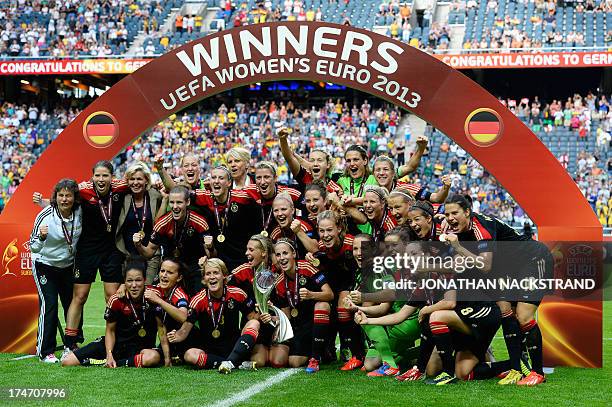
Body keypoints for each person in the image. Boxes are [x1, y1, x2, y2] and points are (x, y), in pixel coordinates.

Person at [443, 194, 551, 386]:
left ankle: (537, 372)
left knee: (524, 316)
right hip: (511, 268)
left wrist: (458, 247)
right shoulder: (459, 227)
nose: (450, 218)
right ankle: (517, 368)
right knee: (505, 309)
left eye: (454, 213)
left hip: (533, 260)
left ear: (467, 212)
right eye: (447, 214)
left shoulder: (481, 228)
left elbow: (485, 265)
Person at [33, 161, 130, 355]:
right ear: (92, 176)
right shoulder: (83, 190)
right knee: (79, 296)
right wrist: (44, 202)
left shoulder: (121, 186)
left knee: (112, 297)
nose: (101, 180)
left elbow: (139, 183)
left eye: (105, 176)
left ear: (112, 177)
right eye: (98, 176)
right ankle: (70, 343)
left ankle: (117, 341)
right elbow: (64, 199)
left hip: (111, 251)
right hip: (87, 251)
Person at [61, 260, 166, 368]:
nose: (134, 285)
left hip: (141, 349)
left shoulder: (154, 297)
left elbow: (161, 328)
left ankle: (110, 363)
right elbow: (110, 331)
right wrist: (109, 354)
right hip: (116, 346)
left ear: (144, 280)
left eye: (138, 280)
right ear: (124, 282)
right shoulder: (116, 300)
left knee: (153, 357)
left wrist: (167, 359)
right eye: (129, 281)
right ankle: (112, 360)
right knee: (68, 361)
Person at [168, 258, 260, 373]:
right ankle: (235, 363)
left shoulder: (237, 293)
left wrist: (264, 312)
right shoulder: (198, 300)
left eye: (216, 273)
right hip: (209, 350)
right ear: (204, 279)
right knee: (189, 355)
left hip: (234, 346)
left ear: (224, 276)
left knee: (254, 324)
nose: (212, 277)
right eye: (208, 274)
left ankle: (231, 361)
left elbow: (252, 318)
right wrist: (175, 336)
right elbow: (184, 331)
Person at [30, 179, 83, 363]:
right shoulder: (45, 215)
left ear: (74, 197)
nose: (64, 199)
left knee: (72, 304)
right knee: (50, 305)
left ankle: (72, 344)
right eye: (61, 195)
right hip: (45, 265)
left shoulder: (79, 212)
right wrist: (42, 237)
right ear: (56, 197)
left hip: (68, 266)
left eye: (68, 195)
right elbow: (33, 247)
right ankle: (45, 351)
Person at [306, 210, 365, 371]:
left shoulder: (352, 244)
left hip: (352, 285)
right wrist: (309, 257)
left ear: (339, 228)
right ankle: (316, 357)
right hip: (331, 288)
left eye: (329, 230)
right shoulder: (320, 247)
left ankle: (358, 354)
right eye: (322, 231)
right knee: (321, 307)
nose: (325, 235)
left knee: (343, 307)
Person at [268, 238, 334, 372]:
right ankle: (320, 349)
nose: (282, 258)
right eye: (278, 254)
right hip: (300, 325)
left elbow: (330, 294)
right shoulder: (279, 282)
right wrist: (274, 318)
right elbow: (287, 316)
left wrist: (311, 295)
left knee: (322, 306)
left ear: (293, 254)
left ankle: (315, 357)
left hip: (319, 320)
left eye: (285, 253)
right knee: (294, 362)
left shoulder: (307, 267)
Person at [134, 186, 212, 296]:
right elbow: (149, 253)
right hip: (170, 270)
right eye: (172, 202)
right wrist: (138, 245)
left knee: (198, 301)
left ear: (188, 202)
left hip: (194, 270)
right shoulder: (162, 223)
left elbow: (211, 255)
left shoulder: (199, 222)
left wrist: (210, 247)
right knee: (150, 296)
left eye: (179, 202)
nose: (175, 207)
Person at [191, 166, 260, 271]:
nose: (216, 181)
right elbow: (178, 194)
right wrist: (161, 169)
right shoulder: (205, 197)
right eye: (213, 178)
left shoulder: (243, 198)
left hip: (242, 261)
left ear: (229, 183)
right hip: (218, 262)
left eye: (221, 178)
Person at [116, 162, 164, 284]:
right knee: (132, 293)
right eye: (132, 179)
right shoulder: (123, 197)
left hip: (151, 256)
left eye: (139, 179)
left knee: (147, 292)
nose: (135, 182)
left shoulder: (155, 195)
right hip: (128, 256)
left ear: (146, 180)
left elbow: (171, 190)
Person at [141, 258, 191, 365]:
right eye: (162, 271)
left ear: (179, 278)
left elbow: (183, 317)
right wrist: (166, 357)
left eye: (169, 272)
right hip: (166, 343)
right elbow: (161, 326)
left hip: (187, 342)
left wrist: (159, 301)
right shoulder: (155, 290)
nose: (164, 275)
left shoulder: (179, 294)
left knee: (190, 357)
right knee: (148, 358)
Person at [245, 161, 301, 236]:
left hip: (282, 240)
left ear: (275, 178)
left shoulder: (290, 194)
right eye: (258, 178)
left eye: (266, 177)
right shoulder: (249, 191)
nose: (262, 182)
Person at [278, 127, 341, 194]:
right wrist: (283, 139)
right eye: (312, 160)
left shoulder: (335, 188)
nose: (315, 163)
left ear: (328, 164)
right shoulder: (305, 178)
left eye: (319, 160)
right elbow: (289, 159)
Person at [270, 193, 318, 257]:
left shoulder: (304, 226)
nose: (279, 214)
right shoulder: (275, 234)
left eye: (283, 209)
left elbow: (315, 250)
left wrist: (299, 231)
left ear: (292, 210)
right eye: (276, 210)